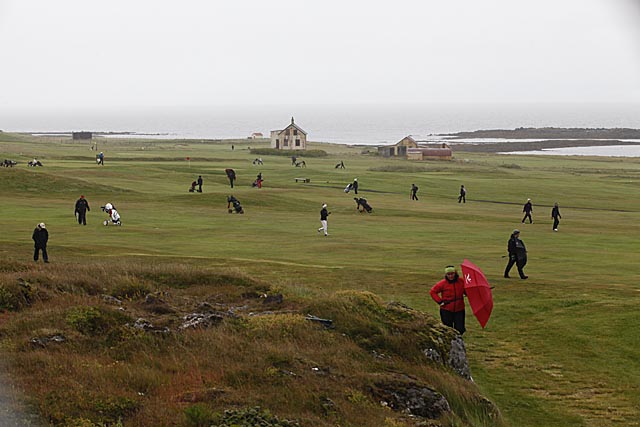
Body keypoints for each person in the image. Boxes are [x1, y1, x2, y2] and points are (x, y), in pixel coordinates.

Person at [430, 265, 466, 335]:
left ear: (455, 273)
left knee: (460, 329)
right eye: (448, 274)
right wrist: (440, 301)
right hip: (446, 310)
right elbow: (432, 292)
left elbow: (466, 291)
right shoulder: (442, 283)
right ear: (446, 275)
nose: (450, 276)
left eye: (452, 274)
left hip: (460, 309)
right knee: (448, 330)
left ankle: (458, 343)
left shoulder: (461, 281)